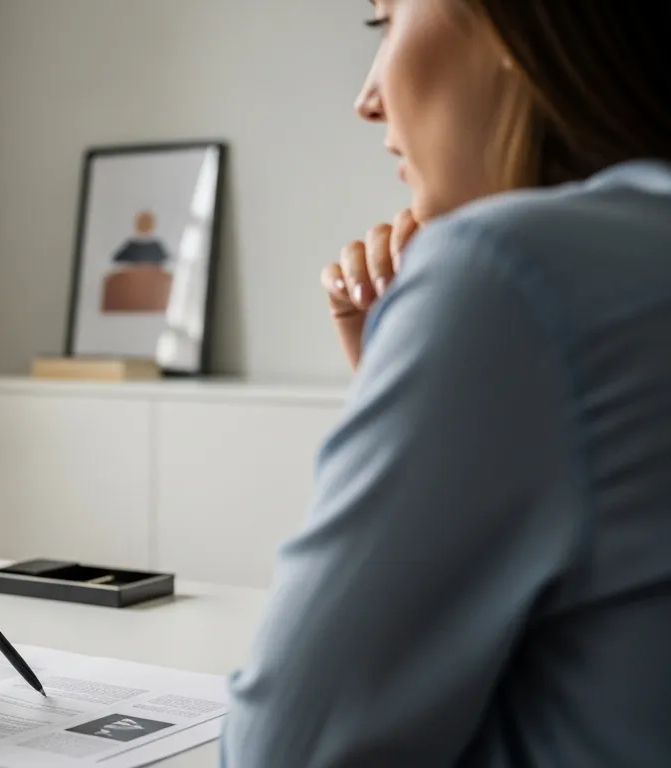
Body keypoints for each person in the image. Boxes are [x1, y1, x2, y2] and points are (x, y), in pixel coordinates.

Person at [221, 1, 671, 765]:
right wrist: (402, 372)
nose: (367, 98)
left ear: (512, 24)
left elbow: (283, 753)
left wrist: (440, 339)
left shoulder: (511, 274)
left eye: (385, 23)